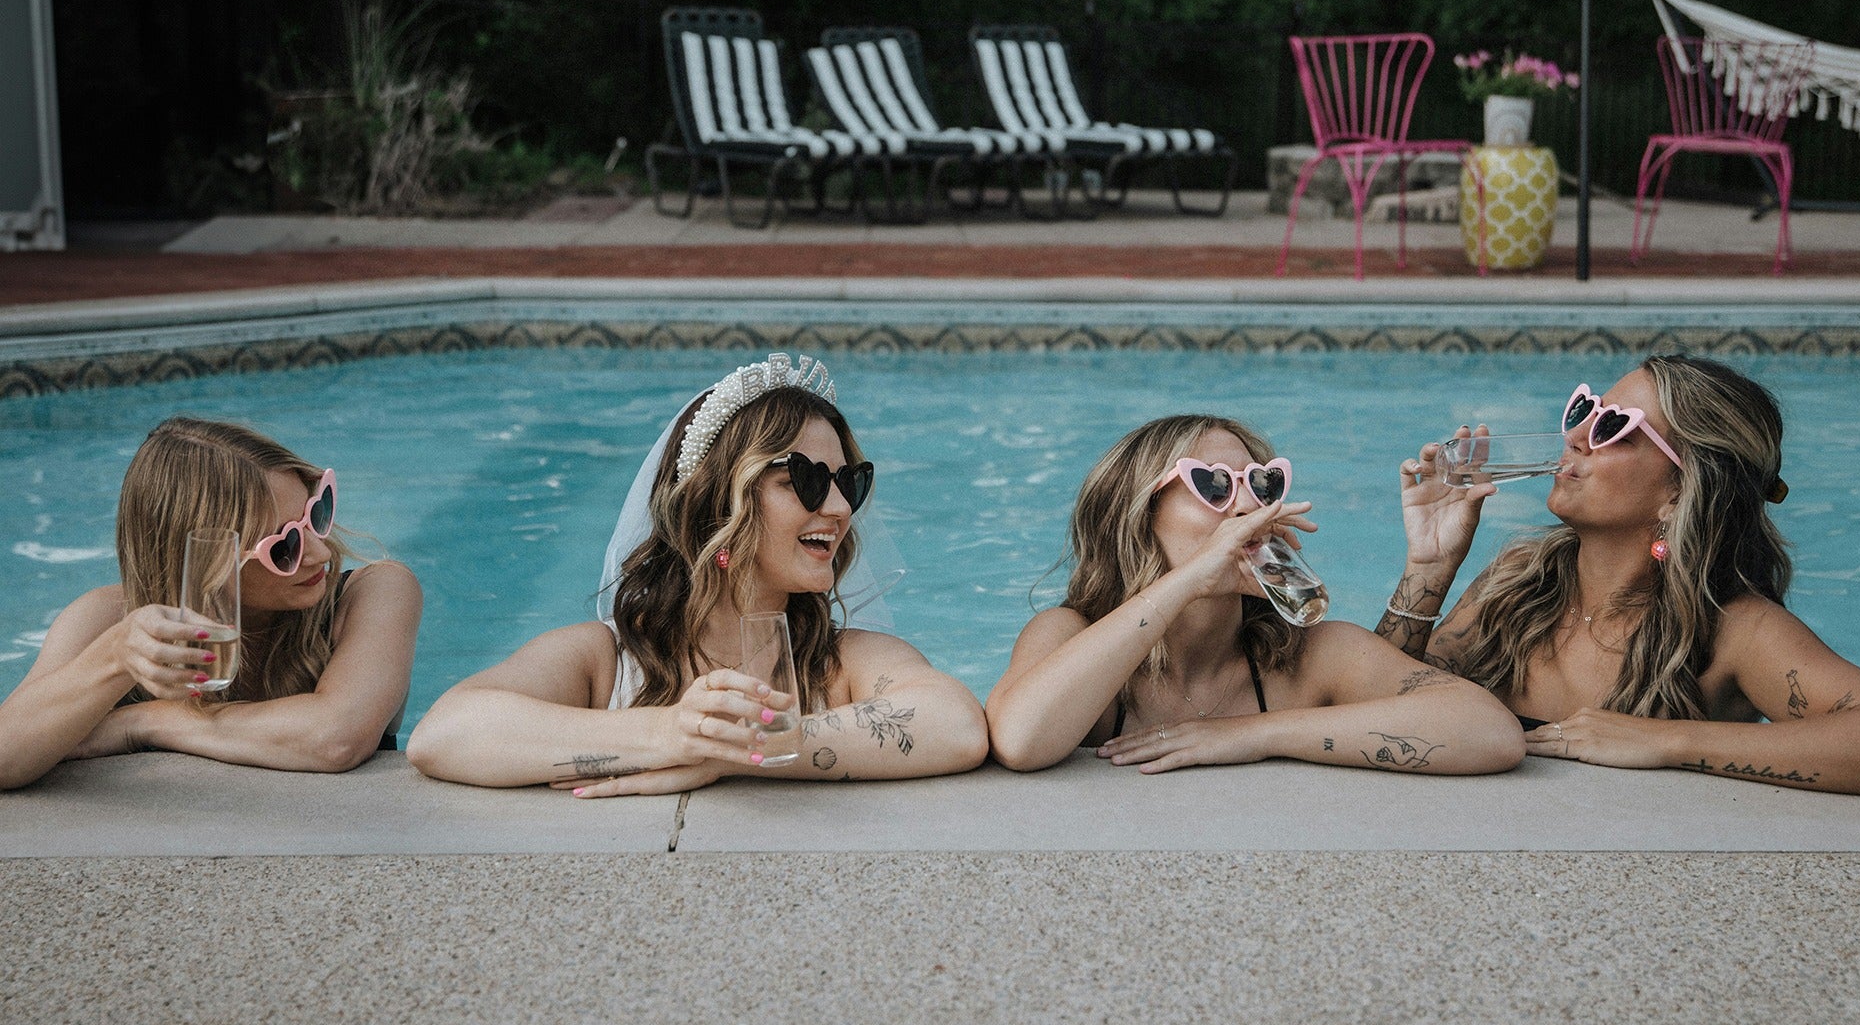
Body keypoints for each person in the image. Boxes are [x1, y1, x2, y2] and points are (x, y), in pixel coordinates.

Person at [406, 353, 988, 795]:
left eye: (848, 483)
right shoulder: (603, 661)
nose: (837, 509)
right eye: (805, 481)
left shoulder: (841, 661)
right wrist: (671, 735)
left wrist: (737, 749)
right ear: (718, 503)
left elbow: (958, 725)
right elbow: (444, 733)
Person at [1381, 353, 1860, 795]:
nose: (1575, 436)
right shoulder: (1519, 583)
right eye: (1583, 410)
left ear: (1680, 491)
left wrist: (1666, 742)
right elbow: (1381, 699)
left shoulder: (1734, 630)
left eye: (1615, 428)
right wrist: (1429, 566)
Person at [987, 414, 1524, 775]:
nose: (1247, 507)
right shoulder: (1068, 633)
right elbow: (1020, 739)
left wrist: (1250, 735)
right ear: (1138, 515)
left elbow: (1490, 732)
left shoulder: (1311, 655)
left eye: (1262, 484)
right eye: (1215, 485)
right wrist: (1187, 583)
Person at [0, 417, 420, 789]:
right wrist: (114, 658)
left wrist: (143, 722)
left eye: (316, 515)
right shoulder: (110, 621)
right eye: (284, 545)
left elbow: (336, 738)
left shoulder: (373, 592)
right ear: (205, 562)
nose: (320, 553)